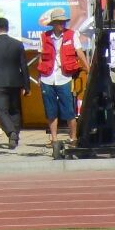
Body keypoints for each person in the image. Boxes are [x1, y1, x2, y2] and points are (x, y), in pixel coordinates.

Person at [37, 9, 85, 143]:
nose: (62, 24)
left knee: (69, 109)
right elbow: (41, 58)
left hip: (65, 77)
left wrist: (88, 68)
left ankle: (73, 136)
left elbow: (79, 53)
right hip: (48, 77)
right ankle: (54, 138)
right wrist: (40, 76)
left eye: (63, 22)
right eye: (59, 22)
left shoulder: (71, 35)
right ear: (54, 23)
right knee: (50, 110)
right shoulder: (44, 36)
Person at [0, 17, 29, 149]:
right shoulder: (17, 44)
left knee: (2, 110)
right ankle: (15, 134)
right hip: (15, 82)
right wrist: (27, 85)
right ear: (7, 28)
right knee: (15, 110)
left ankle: (11, 132)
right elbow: (24, 65)